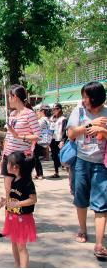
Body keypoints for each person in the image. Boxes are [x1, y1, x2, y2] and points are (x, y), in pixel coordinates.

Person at [0, 84, 41, 238]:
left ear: (15, 97)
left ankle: (21, 219)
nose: (8, 99)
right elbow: (9, 136)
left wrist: (20, 137)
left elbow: (37, 136)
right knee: (8, 189)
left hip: (20, 158)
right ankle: (8, 223)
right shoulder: (12, 114)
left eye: (9, 96)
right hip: (8, 156)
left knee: (20, 190)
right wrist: (4, 154)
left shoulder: (29, 114)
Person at [66, 81, 107, 257]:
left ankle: (99, 244)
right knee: (80, 198)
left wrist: (102, 130)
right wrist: (91, 125)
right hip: (81, 161)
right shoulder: (79, 111)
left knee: (101, 203)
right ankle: (82, 229)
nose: (83, 100)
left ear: (95, 98)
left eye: (86, 96)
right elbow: (71, 134)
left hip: (102, 164)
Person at [0, 151, 37, 268]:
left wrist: (18, 204)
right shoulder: (14, 180)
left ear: (15, 167)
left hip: (24, 219)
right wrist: (5, 201)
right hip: (13, 217)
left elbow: (33, 199)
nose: (6, 166)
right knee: (14, 243)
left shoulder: (27, 182)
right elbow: (14, 198)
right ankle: (17, 264)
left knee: (21, 246)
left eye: (8, 164)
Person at [49, 103, 67, 178]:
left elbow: (64, 130)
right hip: (52, 138)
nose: (54, 111)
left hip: (59, 139)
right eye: (53, 109)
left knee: (61, 154)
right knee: (54, 155)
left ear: (59, 109)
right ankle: (56, 172)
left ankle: (65, 166)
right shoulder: (52, 118)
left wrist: (63, 140)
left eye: (55, 109)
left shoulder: (63, 119)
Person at [34, 104, 52, 179]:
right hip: (46, 141)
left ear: (42, 111)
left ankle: (40, 173)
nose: (38, 112)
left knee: (35, 157)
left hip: (39, 141)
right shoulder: (49, 120)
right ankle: (39, 173)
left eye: (39, 110)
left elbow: (35, 128)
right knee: (36, 157)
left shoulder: (41, 121)